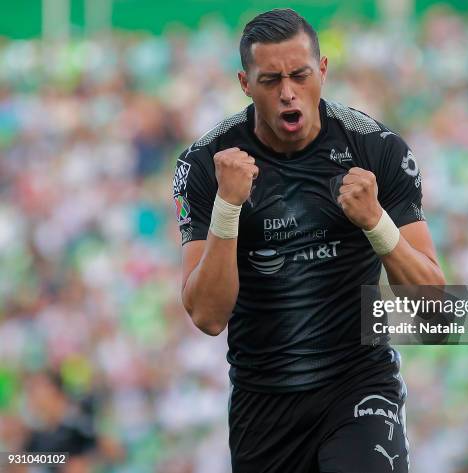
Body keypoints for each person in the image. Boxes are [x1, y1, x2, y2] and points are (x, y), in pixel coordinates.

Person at [173, 8, 445, 473]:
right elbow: (207, 315)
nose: (287, 93)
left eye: (299, 75)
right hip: (264, 405)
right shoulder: (205, 165)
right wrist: (227, 208)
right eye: (269, 80)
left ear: (322, 70)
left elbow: (435, 311)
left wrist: (376, 222)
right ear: (244, 83)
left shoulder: (377, 150)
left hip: (359, 385)